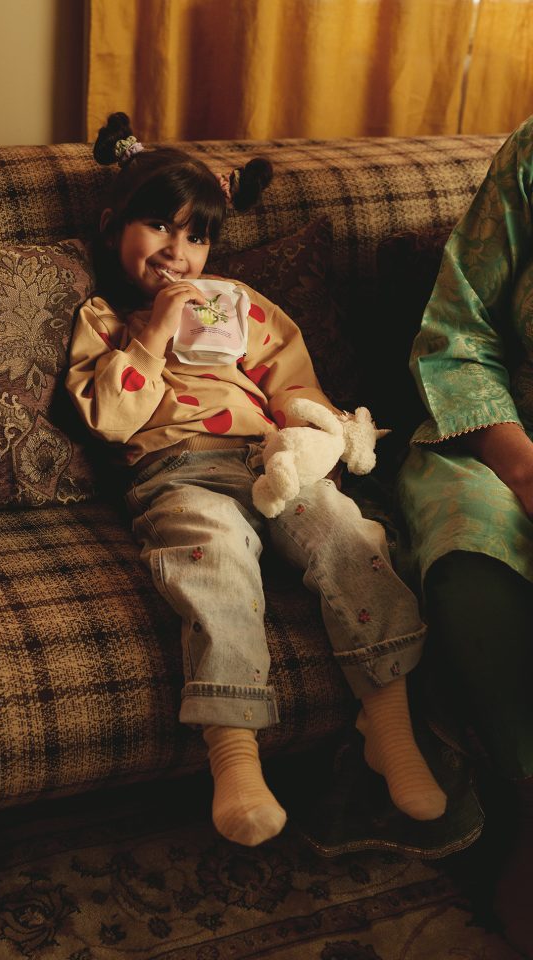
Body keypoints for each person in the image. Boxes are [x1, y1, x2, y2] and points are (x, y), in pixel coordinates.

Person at [66, 111, 446, 848]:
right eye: (158, 228)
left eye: (197, 237)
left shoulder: (235, 304)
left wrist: (315, 428)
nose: (178, 253)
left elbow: (292, 381)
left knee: (349, 536)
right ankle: (235, 761)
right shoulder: (104, 319)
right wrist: (150, 334)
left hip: (271, 459)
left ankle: (389, 727)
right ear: (115, 227)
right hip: (178, 475)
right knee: (215, 565)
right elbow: (110, 419)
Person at [397, 115, 533, 954]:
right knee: (472, 560)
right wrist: (521, 467)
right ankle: (525, 807)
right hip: (500, 437)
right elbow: (458, 330)